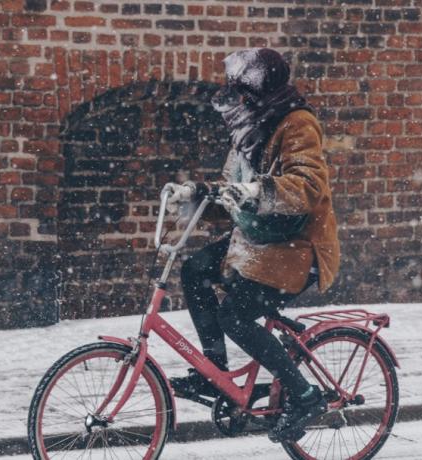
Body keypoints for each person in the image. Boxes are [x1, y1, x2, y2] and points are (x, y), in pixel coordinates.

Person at [164, 48, 341, 443]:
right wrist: (196, 197)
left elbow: (308, 187)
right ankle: (215, 374)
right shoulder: (250, 127)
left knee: (235, 317)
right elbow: (233, 192)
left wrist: (256, 191)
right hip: (260, 237)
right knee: (194, 270)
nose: (235, 99)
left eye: (241, 90)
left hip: (296, 246)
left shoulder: (297, 124)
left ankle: (305, 395)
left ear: (258, 91)